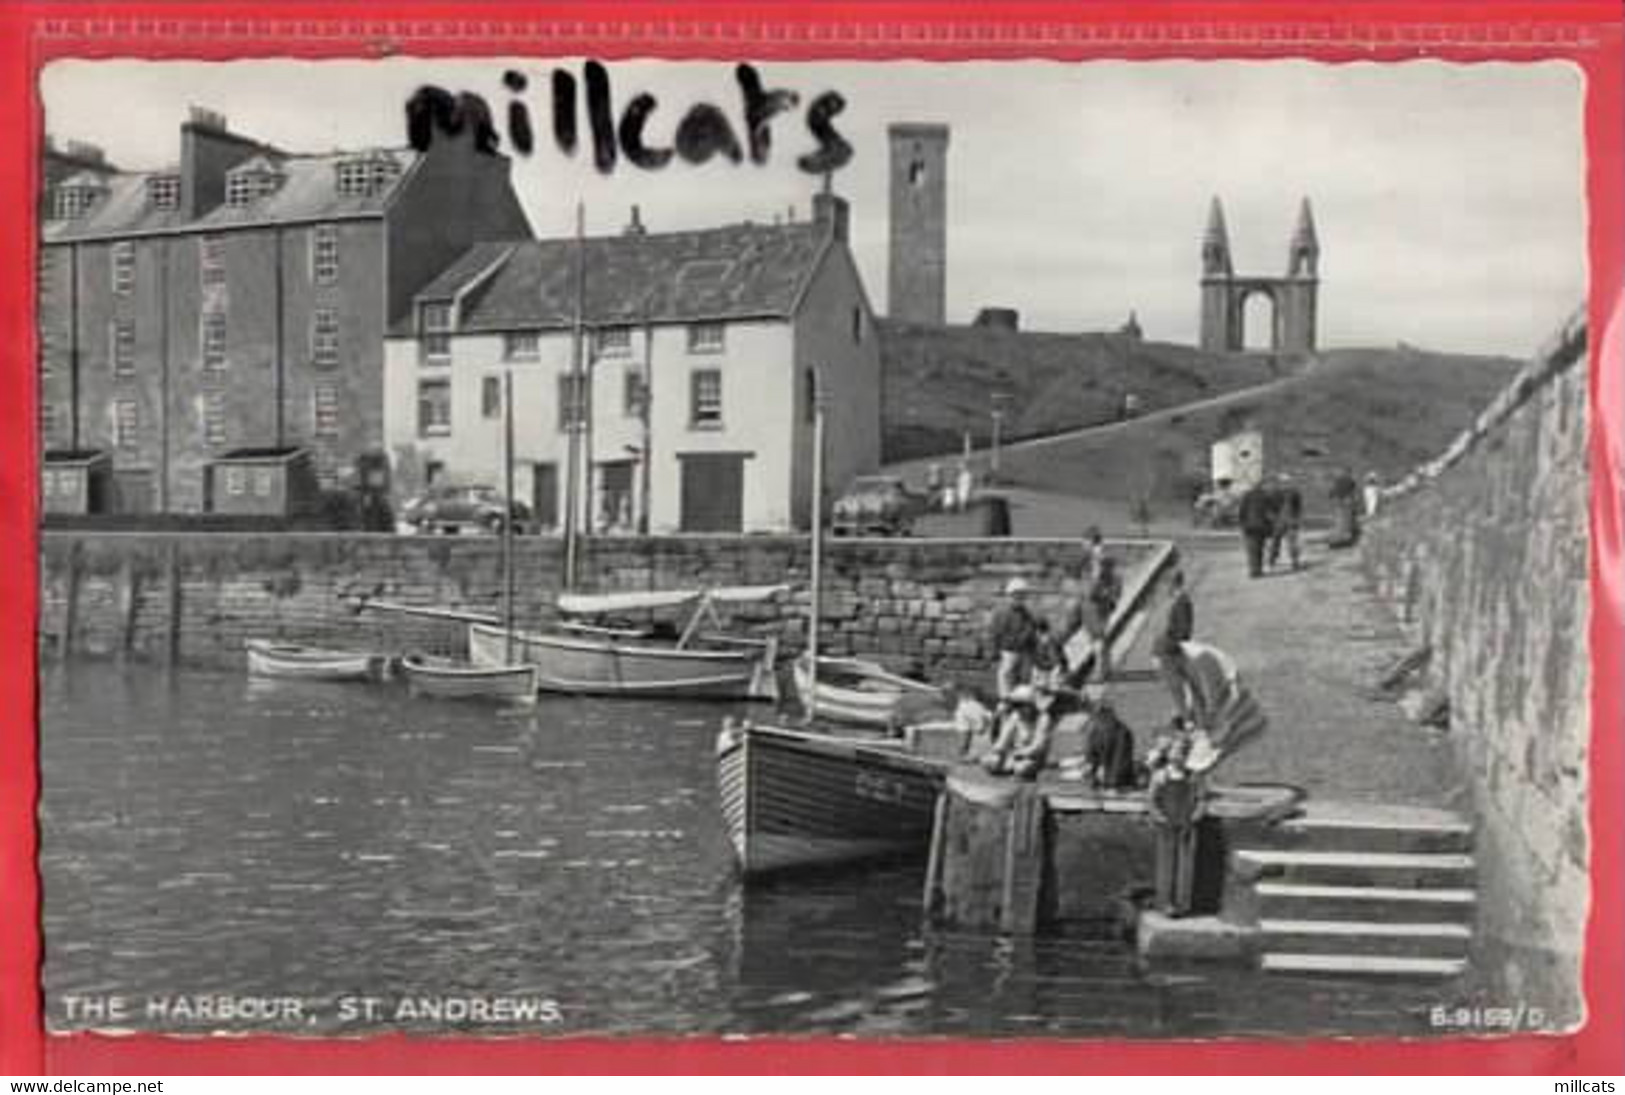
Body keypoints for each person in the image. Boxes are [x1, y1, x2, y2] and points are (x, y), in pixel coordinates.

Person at [980, 683, 1053, 780]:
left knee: (1021, 768)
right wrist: (997, 750)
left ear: (1031, 704)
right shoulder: (1015, 716)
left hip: (1033, 758)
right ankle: (1008, 770)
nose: (1017, 708)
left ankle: (1021, 773)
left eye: (1020, 705)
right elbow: (1004, 738)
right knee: (989, 761)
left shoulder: (1044, 719)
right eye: (1015, 705)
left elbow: (1038, 747)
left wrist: (1019, 753)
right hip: (1015, 755)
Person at [988, 576, 1041, 699]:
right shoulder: (1002, 612)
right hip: (1007, 650)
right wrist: (994, 652)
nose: (1019, 599)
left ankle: (1018, 698)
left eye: (1022, 596)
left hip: (1023, 651)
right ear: (1009, 596)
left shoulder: (1026, 613)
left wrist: (1033, 646)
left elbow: (1031, 630)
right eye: (1016, 596)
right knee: (1006, 675)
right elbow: (995, 633)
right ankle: (1005, 699)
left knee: (1023, 676)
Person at [1236, 479, 1274, 578]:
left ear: (1252, 486)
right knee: (1259, 548)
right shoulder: (1266, 496)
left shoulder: (1246, 495)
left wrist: (1241, 523)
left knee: (1251, 549)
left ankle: (1253, 570)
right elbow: (1270, 511)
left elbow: (1242, 510)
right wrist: (1270, 526)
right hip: (1262, 525)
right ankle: (1258, 570)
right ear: (1261, 486)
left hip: (1249, 526)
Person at [1267, 473, 1303, 571]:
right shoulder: (1293, 492)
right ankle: (1293, 562)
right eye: (1284, 482)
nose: (1285, 484)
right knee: (1286, 542)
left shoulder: (1276, 492)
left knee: (1278, 541)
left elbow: (1271, 507)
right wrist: (1296, 518)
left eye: (1285, 482)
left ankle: (1273, 560)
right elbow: (1298, 507)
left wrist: (1273, 518)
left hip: (1282, 520)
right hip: (1288, 520)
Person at [1328, 466, 1360, 548]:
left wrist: (1332, 499)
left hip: (1337, 501)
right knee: (1347, 520)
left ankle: (1337, 538)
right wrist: (1355, 503)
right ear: (1349, 472)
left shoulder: (1337, 479)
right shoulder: (1351, 480)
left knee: (1338, 520)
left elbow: (1331, 491)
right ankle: (1345, 539)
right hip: (1346, 501)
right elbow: (1354, 493)